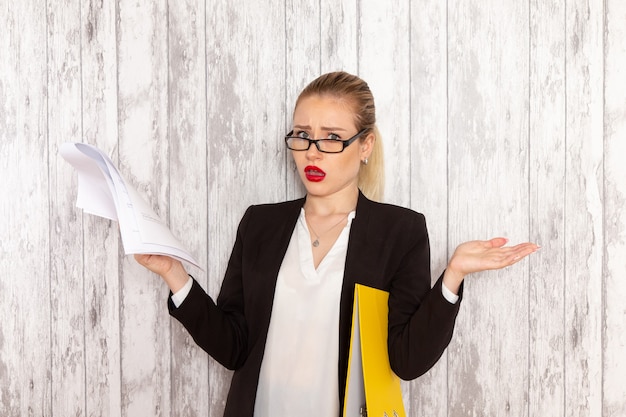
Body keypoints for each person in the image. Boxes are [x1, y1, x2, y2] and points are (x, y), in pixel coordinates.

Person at [135, 71, 539, 416]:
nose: (312, 151)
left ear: (365, 146)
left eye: (332, 137)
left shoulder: (400, 232)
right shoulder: (260, 224)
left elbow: (406, 360)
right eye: (302, 135)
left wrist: (452, 278)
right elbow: (234, 347)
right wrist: (175, 275)